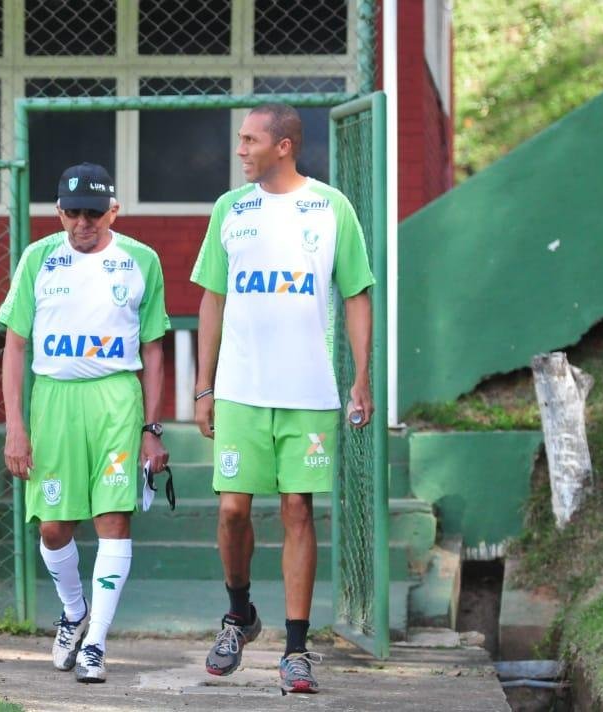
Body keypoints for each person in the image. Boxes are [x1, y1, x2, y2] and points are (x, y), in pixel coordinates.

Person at [190, 103, 375, 694]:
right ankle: (239, 615)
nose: (240, 149)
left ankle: (296, 651)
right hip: (241, 389)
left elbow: (357, 294)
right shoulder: (229, 208)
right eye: (240, 140)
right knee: (232, 511)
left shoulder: (331, 208)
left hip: (309, 391)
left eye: (250, 140)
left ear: (285, 146)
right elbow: (212, 299)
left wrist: (362, 378)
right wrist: (204, 385)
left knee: (298, 509)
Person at [0, 162, 170, 683]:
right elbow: (15, 347)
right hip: (53, 399)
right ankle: (75, 613)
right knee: (52, 526)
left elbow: (154, 351)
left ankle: (96, 645)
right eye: (72, 212)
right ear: (59, 211)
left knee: (114, 517)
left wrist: (151, 428)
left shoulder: (141, 260)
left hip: (117, 398)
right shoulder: (38, 258)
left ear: (112, 211)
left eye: (93, 213)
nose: (82, 223)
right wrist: (15, 426)